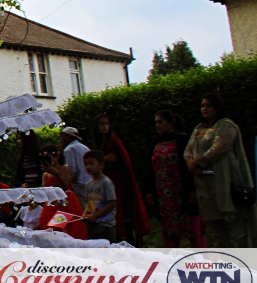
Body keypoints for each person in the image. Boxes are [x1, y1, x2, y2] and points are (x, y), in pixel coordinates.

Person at [184, 92, 257, 248]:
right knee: (217, 226)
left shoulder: (226, 125)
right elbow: (188, 150)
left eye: (208, 105)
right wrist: (192, 164)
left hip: (225, 179)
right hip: (204, 184)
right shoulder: (199, 129)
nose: (204, 108)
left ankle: (245, 261)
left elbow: (219, 148)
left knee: (234, 223)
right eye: (202, 105)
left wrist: (198, 163)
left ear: (217, 107)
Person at [149, 110, 205, 247]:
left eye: (160, 122)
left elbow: (189, 166)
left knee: (192, 225)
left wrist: (192, 189)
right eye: (156, 122)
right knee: (169, 229)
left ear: (171, 123)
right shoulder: (156, 142)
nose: (157, 125)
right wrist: (149, 191)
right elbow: (149, 168)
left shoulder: (183, 140)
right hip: (164, 194)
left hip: (182, 190)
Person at [92, 114, 150, 245]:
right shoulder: (98, 143)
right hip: (104, 182)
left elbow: (123, 161)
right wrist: (103, 159)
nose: (105, 126)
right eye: (101, 124)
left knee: (121, 213)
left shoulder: (114, 140)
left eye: (106, 123)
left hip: (119, 182)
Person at [38, 145, 87, 239]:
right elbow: (44, 191)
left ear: (57, 156)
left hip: (65, 204)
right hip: (51, 205)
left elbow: (65, 186)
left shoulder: (64, 169)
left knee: (65, 230)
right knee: (52, 230)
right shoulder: (45, 175)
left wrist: (56, 174)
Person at [83, 150, 117, 243]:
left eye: (91, 163)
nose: (88, 167)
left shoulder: (106, 182)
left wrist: (96, 216)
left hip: (106, 225)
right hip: (93, 224)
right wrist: (86, 214)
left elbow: (112, 203)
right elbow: (89, 203)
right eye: (86, 164)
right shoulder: (88, 184)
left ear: (101, 165)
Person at [59, 127, 90, 206]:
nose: (61, 140)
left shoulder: (69, 149)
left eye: (63, 137)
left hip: (78, 187)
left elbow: (71, 169)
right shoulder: (85, 148)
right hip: (90, 185)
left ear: (69, 137)